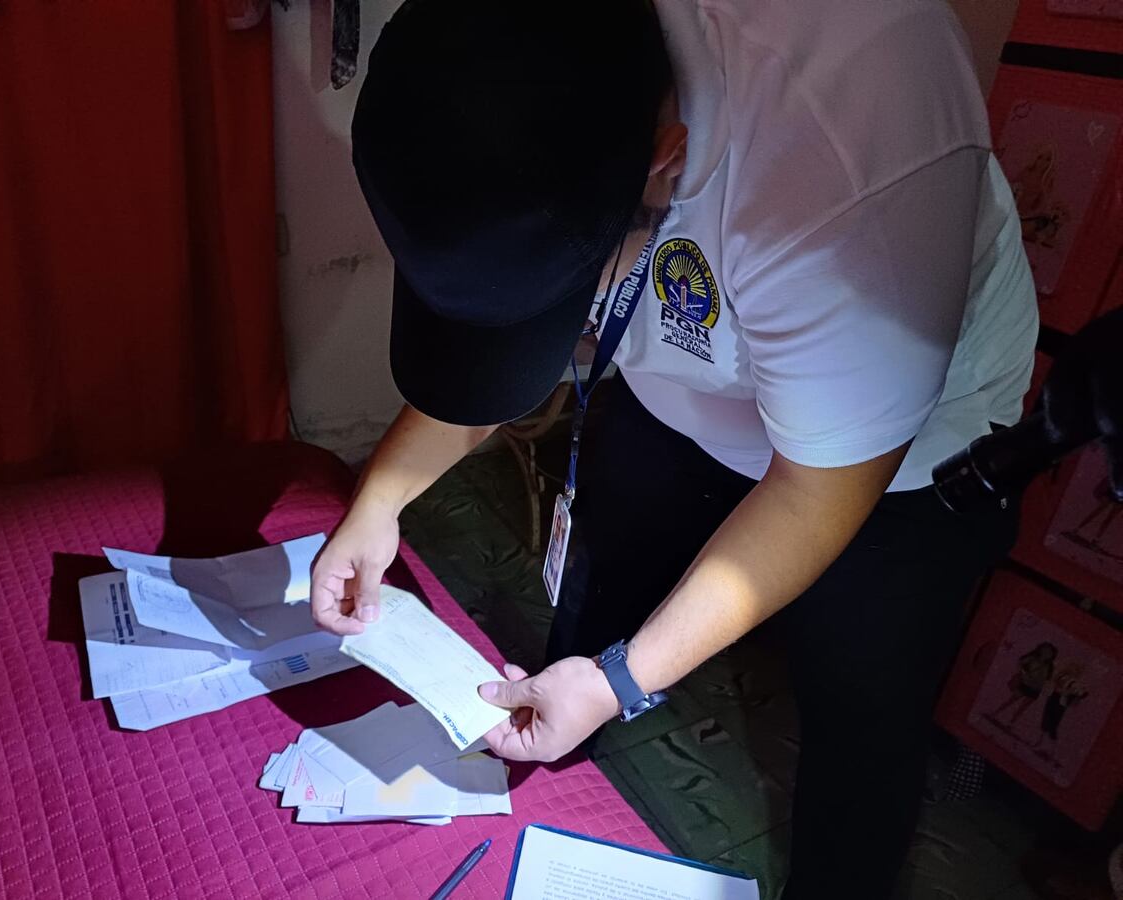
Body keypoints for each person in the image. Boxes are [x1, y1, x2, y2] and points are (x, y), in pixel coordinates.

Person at [309, 1, 1044, 895]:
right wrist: (379, 502)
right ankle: (560, 786)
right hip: (684, 382)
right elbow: (491, 344)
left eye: (565, 295)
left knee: (862, 705)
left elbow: (817, 492)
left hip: (903, 456)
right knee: (599, 602)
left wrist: (621, 681)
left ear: (665, 157)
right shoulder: (501, 64)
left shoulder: (847, 147)